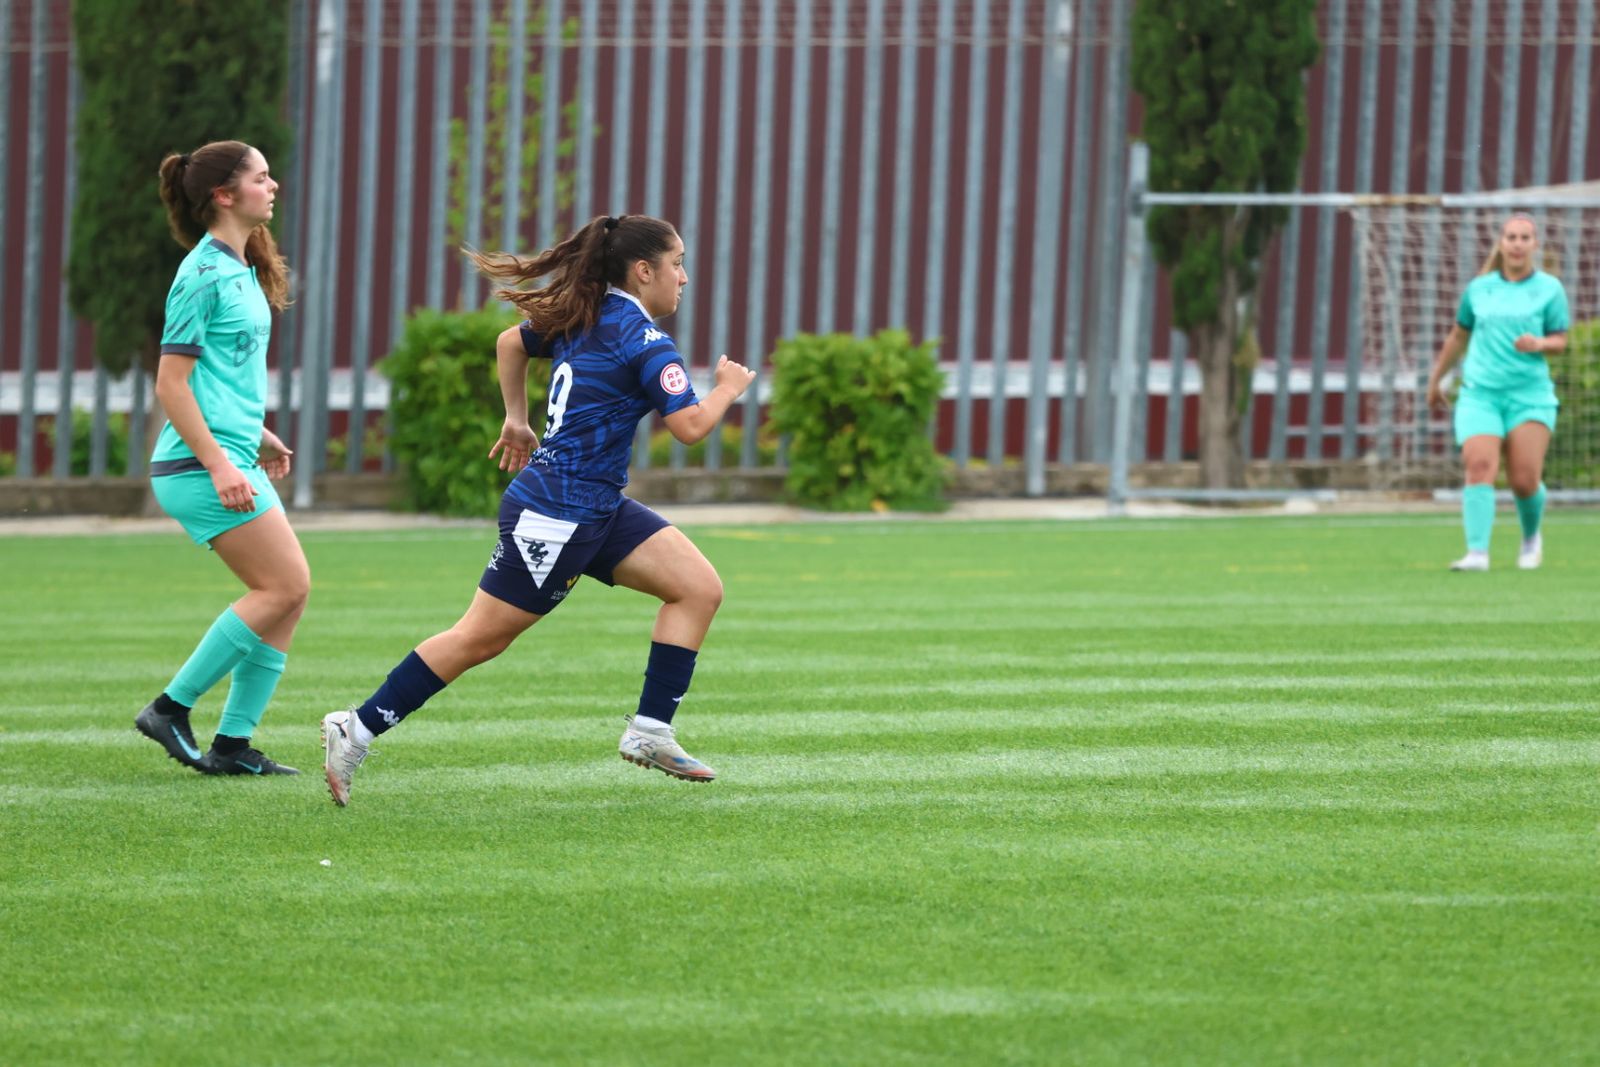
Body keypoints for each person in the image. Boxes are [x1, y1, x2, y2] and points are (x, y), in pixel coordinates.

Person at [320, 214, 755, 806]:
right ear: (644, 270)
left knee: (697, 588)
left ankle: (650, 730)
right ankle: (358, 726)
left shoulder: (588, 312)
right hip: (556, 513)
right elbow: (690, 427)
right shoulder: (644, 339)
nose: (684, 277)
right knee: (480, 638)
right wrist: (729, 385)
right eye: (677, 264)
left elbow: (509, 343)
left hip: (595, 503)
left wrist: (516, 418)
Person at [133, 140, 309, 776]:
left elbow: (216, 378)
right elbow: (170, 384)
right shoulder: (203, 273)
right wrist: (219, 464)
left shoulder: (237, 268)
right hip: (197, 467)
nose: (274, 186)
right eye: (261, 178)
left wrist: (256, 433)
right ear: (223, 195)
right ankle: (170, 707)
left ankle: (233, 745)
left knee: (290, 594)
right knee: (283, 586)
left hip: (230, 453)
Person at [1425, 212, 1569, 572]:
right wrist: (1435, 380)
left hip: (1528, 395)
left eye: (1524, 238)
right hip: (1480, 393)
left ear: (1535, 245)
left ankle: (1531, 538)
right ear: (1501, 243)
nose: (1517, 244)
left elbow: (1560, 341)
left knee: (1523, 481)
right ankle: (1477, 553)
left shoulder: (1550, 289)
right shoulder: (1480, 288)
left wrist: (1538, 343)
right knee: (1478, 466)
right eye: (1511, 237)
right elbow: (1459, 336)